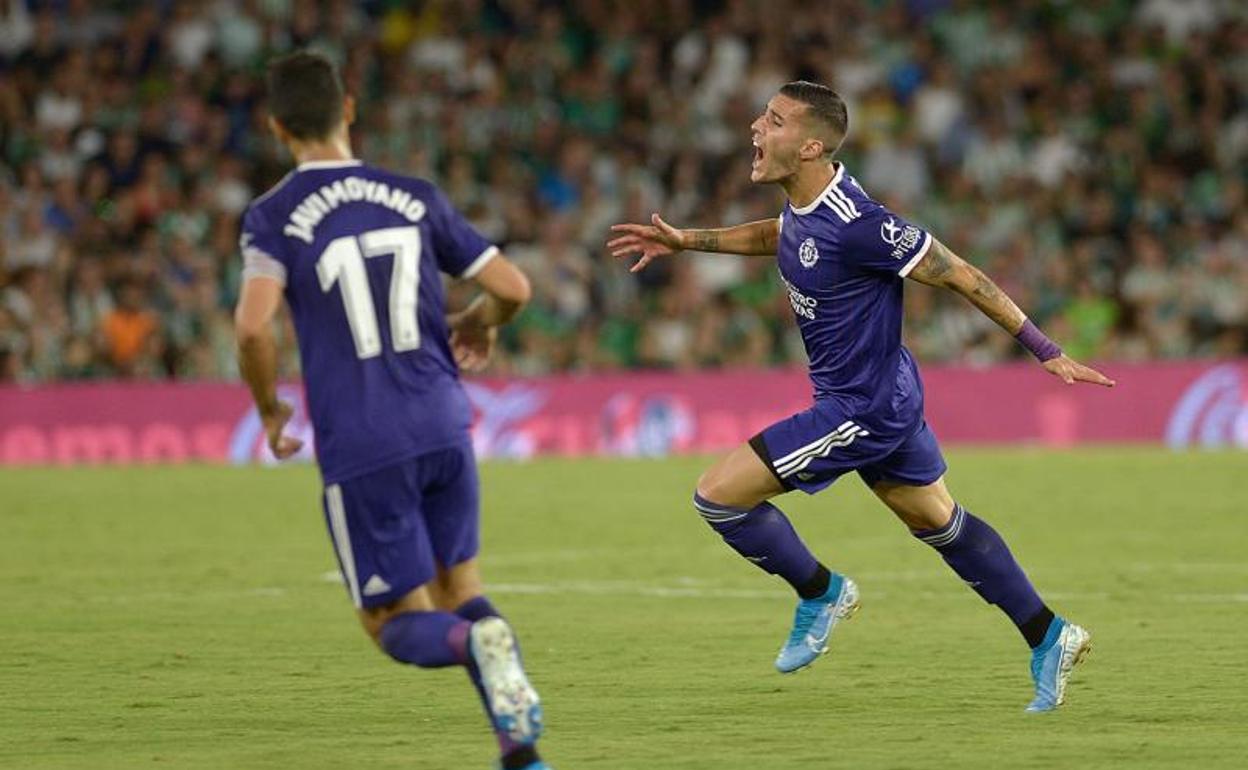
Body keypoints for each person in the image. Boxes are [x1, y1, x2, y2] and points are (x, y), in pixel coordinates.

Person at [608, 81, 1113, 712]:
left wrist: (1045, 349)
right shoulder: (806, 204)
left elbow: (961, 273)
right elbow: (779, 236)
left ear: (812, 144)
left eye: (775, 121)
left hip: (860, 408)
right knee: (938, 521)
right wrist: (691, 240)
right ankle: (1050, 635)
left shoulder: (862, 225)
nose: (756, 131)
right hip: (888, 390)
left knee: (717, 498)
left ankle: (820, 592)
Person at [234, 51, 551, 768]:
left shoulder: (273, 216)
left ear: (277, 126)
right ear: (349, 108)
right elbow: (515, 287)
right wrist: (479, 320)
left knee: (391, 623)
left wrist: (268, 408)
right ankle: (522, 753)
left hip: (363, 439)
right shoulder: (414, 194)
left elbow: (253, 327)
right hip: (444, 421)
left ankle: (475, 644)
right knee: (461, 589)